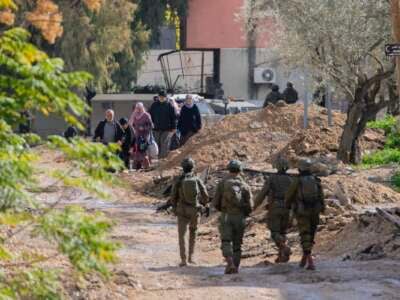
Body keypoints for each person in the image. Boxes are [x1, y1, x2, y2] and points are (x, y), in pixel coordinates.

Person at [213, 160, 253, 274]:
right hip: (240, 217)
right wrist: (244, 213)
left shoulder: (223, 183)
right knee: (237, 244)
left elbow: (215, 202)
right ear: (240, 170)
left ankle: (229, 262)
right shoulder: (245, 185)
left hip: (226, 216)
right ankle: (235, 267)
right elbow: (251, 205)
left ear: (229, 169)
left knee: (226, 241)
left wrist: (223, 210)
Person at [285, 158, 325, 271]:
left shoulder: (297, 181)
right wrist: (322, 209)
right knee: (311, 235)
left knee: (304, 235)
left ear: (300, 168)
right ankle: (305, 257)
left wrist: (288, 207)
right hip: (315, 211)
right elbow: (321, 196)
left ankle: (310, 262)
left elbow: (289, 195)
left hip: (302, 211)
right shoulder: (316, 180)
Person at [170, 158, 209, 267]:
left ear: (183, 168)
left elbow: (173, 196)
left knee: (182, 235)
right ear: (193, 167)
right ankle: (191, 257)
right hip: (195, 210)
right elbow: (205, 195)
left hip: (182, 210)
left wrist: (174, 208)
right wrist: (205, 205)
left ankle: (183, 259)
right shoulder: (197, 179)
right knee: (193, 232)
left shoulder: (179, 180)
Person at [253, 156, 293, 264]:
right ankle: (281, 256)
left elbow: (262, 194)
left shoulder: (272, 179)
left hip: (275, 207)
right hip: (287, 209)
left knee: (274, 233)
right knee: (283, 232)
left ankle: (284, 248)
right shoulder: (291, 180)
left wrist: (253, 207)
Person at [149, 91, 177, 159]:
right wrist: (151, 124)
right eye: (160, 97)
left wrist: (174, 127)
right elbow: (150, 116)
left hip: (167, 129)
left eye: (163, 97)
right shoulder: (154, 105)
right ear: (158, 97)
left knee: (164, 144)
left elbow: (173, 117)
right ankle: (156, 159)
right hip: (156, 129)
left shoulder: (169, 105)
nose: (161, 98)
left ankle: (162, 159)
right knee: (156, 144)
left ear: (165, 97)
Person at [129, 102, 153, 170]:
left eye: (140, 108)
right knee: (136, 152)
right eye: (137, 108)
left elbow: (151, 126)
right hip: (136, 136)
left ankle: (147, 167)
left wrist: (144, 128)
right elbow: (130, 124)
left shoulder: (146, 115)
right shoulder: (134, 115)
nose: (138, 110)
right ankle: (137, 168)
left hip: (144, 136)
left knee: (143, 151)